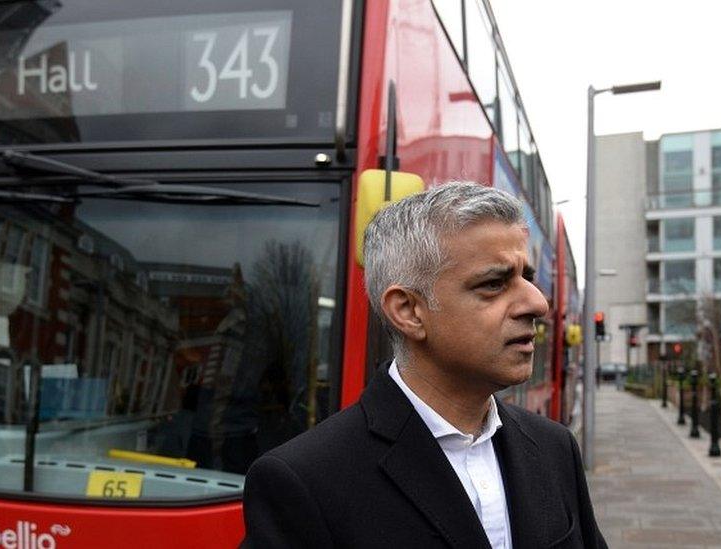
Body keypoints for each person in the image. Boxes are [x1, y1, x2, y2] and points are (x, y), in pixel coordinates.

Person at [241, 182, 606, 548]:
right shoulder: (304, 480)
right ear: (409, 311)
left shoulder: (554, 447)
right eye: (494, 283)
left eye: (526, 277)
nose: (538, 304)